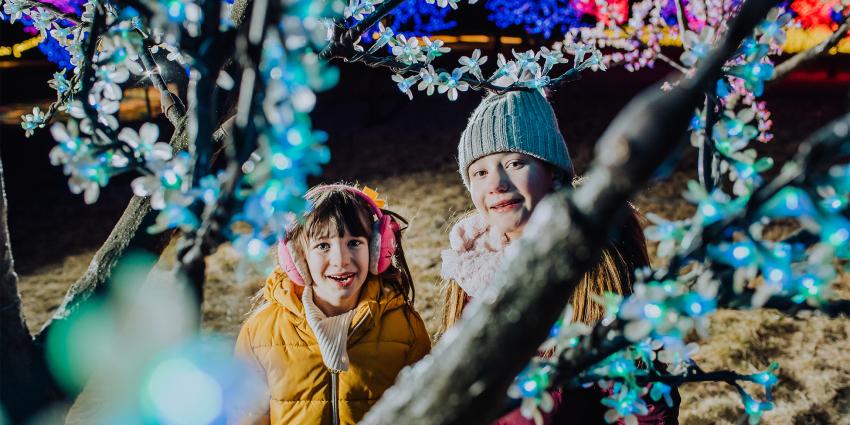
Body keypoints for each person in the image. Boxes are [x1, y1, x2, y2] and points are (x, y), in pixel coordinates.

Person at [439, 89, 679, 424]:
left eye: (514, 163)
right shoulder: (470, 266)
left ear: (553, 173)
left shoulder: (594, 263)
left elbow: (644, 400)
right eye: (479, 172)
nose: (496, 183)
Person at [234, 184, 431, 425]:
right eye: (323, 246)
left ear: (377, 249)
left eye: (354, 243)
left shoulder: (405, 326)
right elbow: (246, 416)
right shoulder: (260, 332)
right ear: (296, 256)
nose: (341, 260)